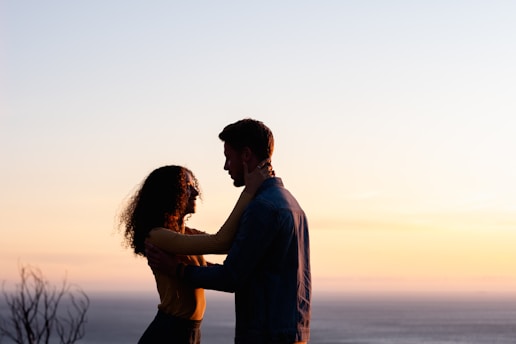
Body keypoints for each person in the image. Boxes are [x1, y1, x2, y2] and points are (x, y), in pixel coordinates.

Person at [148, 118, 311, 343]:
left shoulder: (261, 208)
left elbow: (231, 275)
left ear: (245, 155)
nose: (226, 166)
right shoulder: (291, 203)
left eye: (228, 156)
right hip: (294, 330)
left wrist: (178, 270)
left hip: (265, 334)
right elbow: (247, 263)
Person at [120, 163, 271, 344]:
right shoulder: (157, 236)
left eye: (194, 187)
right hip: (169, 331)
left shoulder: (187, 234)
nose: (196, 193)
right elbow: (220, 242)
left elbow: (228, 245)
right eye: (188, 188)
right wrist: (249, 190)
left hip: (189, 331)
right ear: (170, 193)